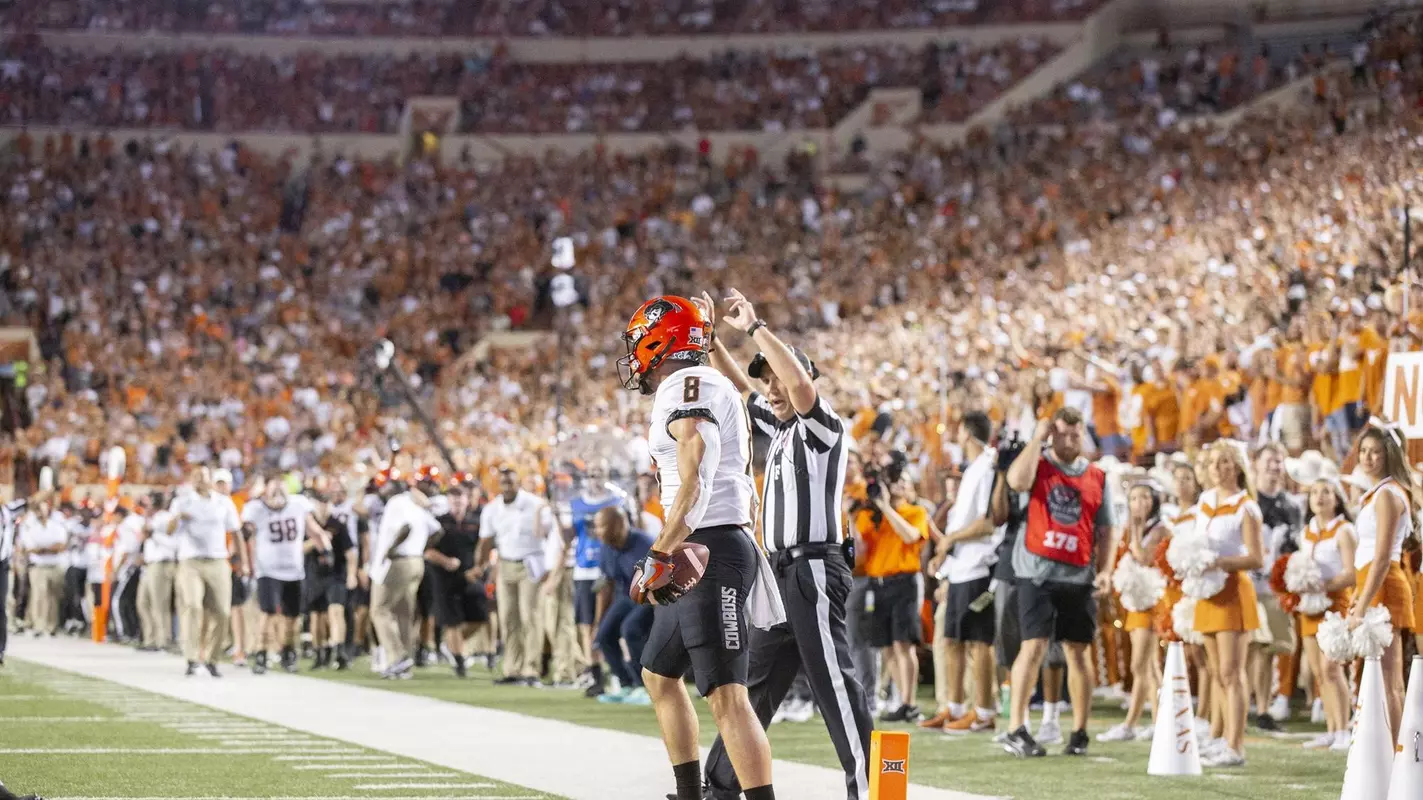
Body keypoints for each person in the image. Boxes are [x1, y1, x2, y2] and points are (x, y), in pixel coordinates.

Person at [701, 289, 871, 800]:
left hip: (813, 567)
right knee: (754, 683)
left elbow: (795, 382)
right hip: (779, 574)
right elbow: (738, 387)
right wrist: (711, 341)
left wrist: (753, 325)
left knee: (833, 683)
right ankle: (722, 785)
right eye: (767, 380)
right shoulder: (778, 432)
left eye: (776, 378)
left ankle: (870, 789)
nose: (770, 388)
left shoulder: (822, 427)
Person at [617, 295, 783, 800]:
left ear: (658, 340)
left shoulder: (689, 386)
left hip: (705, 548)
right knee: (658, 674)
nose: (635, 357)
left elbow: (696, 482)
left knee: (728, 697)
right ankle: (690, 793)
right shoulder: (703, 382)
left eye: (639, 344)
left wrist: (660, 551)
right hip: (703, 543)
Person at [1002, 407, 1115, 759]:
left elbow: (1106, 528)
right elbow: (1016, 481)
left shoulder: (1096, 475)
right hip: (1037, 570)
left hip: (1078, 573)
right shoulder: (1038, 463)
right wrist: (1038, 436)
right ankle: (1016, 728)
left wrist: (1106, 569)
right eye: (1062, 433)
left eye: (1075, 433)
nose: (1069, 440)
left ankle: (1080, 731)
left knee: (1078, 653)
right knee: (1032, 646)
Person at [923, 411, 1002, 736]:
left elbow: (987, 522)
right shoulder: (973, 470)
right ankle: (953, 707)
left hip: (980, 566)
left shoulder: (987, 466)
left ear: (966, 434)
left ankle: (983, 711)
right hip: (961, 567)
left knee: (979, 642)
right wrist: (946, 555)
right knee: (953, 638)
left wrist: (950, 541)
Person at [1193, 441, 1266, 768]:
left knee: (1231, 672)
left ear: (1237, 466)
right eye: (1213, 463)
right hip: (1206, 591)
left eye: (1224, 462)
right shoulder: (1205, 500)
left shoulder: (1246, 506)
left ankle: (1236, 746)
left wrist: (1217, 562)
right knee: (1215, 672)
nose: (1218, 468)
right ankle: (1222, 738)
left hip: (1233, 590)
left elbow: (1256, 557)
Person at [1350, 423, 1416, 742]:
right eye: (1363, 451)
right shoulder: (1378, 493)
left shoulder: (1387, 494)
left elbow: (1380, 558)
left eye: (1376, 452)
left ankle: (1399, 759)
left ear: (1388, 455)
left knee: (1391, 681)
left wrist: (1361, 607)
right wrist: (1359, 596)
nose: (1368, 458)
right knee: (1384, 678)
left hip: (1385, 585)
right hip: (1375, 584)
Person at [1097, 482, 1167, 742]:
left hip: (1152, 599)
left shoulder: (1160, 528)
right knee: (1147, 665)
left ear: (1155, 501)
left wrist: (1136, 530)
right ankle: (1158, 721)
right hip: (1138, 601)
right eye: (1134, 498)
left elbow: (1143, 558)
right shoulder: (1132, 528)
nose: (1139, 503)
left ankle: (1134, 723)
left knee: (1141, 664)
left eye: (1145, 497)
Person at [1295, 476, 1356, 752]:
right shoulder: (1306, 532)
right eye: (1315, 492)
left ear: (1337, 498)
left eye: (1327, 492)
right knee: (1318, 671)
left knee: (1332, 668)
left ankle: (1344, 729)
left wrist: (1322, 585)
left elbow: (1351, 573)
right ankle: (1331, 729)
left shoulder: (1344, 530)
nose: (1320, 497)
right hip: (1309, 606)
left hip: (1334, 605)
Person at [477, 467, 553, 686]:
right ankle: (513, 668)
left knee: (531, 616)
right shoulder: (492, 509)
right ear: (498, 485)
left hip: (530, 563)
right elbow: (486, 540)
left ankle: (531, 669)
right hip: (505, 564)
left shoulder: (534, 504)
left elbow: (549, 535)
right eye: (504, 483)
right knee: (508, 618)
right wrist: (481, 565)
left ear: (517, 483)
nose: (507, 487)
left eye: (511, 482)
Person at [170, 467, 246, 677]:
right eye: (195, 477)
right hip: (190, 561)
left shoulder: (223, 502)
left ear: (210, 479)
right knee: (193, 606)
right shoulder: (182, 501)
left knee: (222, 611)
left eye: (202, 477)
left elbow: (236, 532)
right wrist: (177, 519)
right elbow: (169, 532)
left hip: (218, 560)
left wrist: (244, 561)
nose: (198, 480)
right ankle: (192, 658)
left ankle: (212, 659)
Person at [242, 479, 323, 674]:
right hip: (267, 570)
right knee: (267, 613)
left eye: (281, 488)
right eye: (273, 489)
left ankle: (288, 652)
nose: (278, 493)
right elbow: (246, 531)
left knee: (292, 617)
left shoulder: (298, 504)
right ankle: (261, 653)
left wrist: (324, 546)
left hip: (294, 570)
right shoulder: (256, 508)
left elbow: (314, 526)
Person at [371, 466, 443, 680]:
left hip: (398, 561)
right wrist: (420, 548)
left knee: (380, 610)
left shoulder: (398, 503)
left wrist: (390, 550)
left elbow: (406, 528)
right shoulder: (414, 504)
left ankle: (396, 657)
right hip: (416, 561)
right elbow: (437, 530)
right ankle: (405, 661)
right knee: (404, 613)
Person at [1249, 443, 1302, 730]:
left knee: (1270, 649)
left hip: (1273, 587)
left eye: (1279, 461)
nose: (1275, 466)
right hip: (1248, 583)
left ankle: (1263, 709)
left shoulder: (1292, 506)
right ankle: (1240, 704)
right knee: (1248, 648)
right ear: (1255, 463)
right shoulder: (1247, 499)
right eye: (1270, 460)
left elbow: (1296, 548)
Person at [568, 462, 626, 695]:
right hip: (584, 568)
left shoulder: (616, 502)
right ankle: (594, 672)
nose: (595, 479)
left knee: (610, 621)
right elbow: (568, 536)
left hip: (608, 568)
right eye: (591, 474)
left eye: (599, 474)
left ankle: (617, 671)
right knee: (586, 623)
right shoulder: (576, 504)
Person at [592, 506, 655, 705]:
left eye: (601, 526)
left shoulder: (643, 543)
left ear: (617, 525)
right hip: (625, 596)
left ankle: (644, 686)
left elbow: (658, 580)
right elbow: (606, 585)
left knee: (631, 629)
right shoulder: (606, 548)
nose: (598, 531)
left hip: (650, 596)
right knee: (604, 635)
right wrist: (599, 621)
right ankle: (626, 683)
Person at [429, 483, 489, 678]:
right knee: (452, 621)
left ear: (467, 499)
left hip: (470, 575)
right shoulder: (438, 522)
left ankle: (451, 645)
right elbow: (427, 551)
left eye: (460, 496)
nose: (456, 500)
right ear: (448, 500)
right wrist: (445, 561)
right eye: (453, 496)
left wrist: (480, 568)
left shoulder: (475, 522)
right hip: (444, 578)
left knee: (481, 615)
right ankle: (459, 661)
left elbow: (485, 547)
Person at [303, 483, 358, 670]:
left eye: (326, 503)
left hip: (336, 574)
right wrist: (318, 538)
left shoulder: (338, 524)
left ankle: (339, 651)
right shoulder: (307, 525)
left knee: (336, 611)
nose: (323, 507)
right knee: (317, 617)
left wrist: (352, 575)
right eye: (320, 503)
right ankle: (320, 653)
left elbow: (350, 553)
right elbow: (299, 549)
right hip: (314, 575)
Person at [18, 494, 69, 638]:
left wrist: (44, 549)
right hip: (38, 566)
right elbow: (30, 547)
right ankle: (39, 626)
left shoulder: (56, 524)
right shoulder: (31, 524)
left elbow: (61, 544)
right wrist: (48, 549)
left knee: (53, 597)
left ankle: (51, 626)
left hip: (55, 564)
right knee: (39, 596)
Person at [138, 492, 179, 652]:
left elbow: (174, 544)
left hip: (163, 563)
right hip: (149, 565)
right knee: (143, 602)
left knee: (159, 603)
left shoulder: (166, 518)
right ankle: (150, 639)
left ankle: (163, 640)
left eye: (147, 504)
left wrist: (154, 535)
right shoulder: (152, 520)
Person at [0, 497, 26, 665]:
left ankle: (0, 649)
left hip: (1, 564)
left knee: (0, 607)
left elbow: (30, 502)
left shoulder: (7, 511)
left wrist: (52, 489)